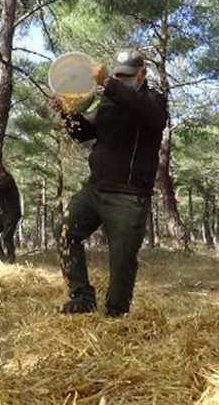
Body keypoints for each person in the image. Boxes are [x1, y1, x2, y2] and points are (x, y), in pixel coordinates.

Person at [49, 49, 168, 317]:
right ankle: (81, 297)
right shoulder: (108, 102)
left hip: (128, 196)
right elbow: (83, 134)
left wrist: (108, 84)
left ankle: (116, 314)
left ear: (142, 75)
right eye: (116, 75)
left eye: (126, 76)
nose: (120, 79)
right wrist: (67, 113)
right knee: (65, 232)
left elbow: (150, 115)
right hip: (95, 189)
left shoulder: (153, 100)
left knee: (122, 258)